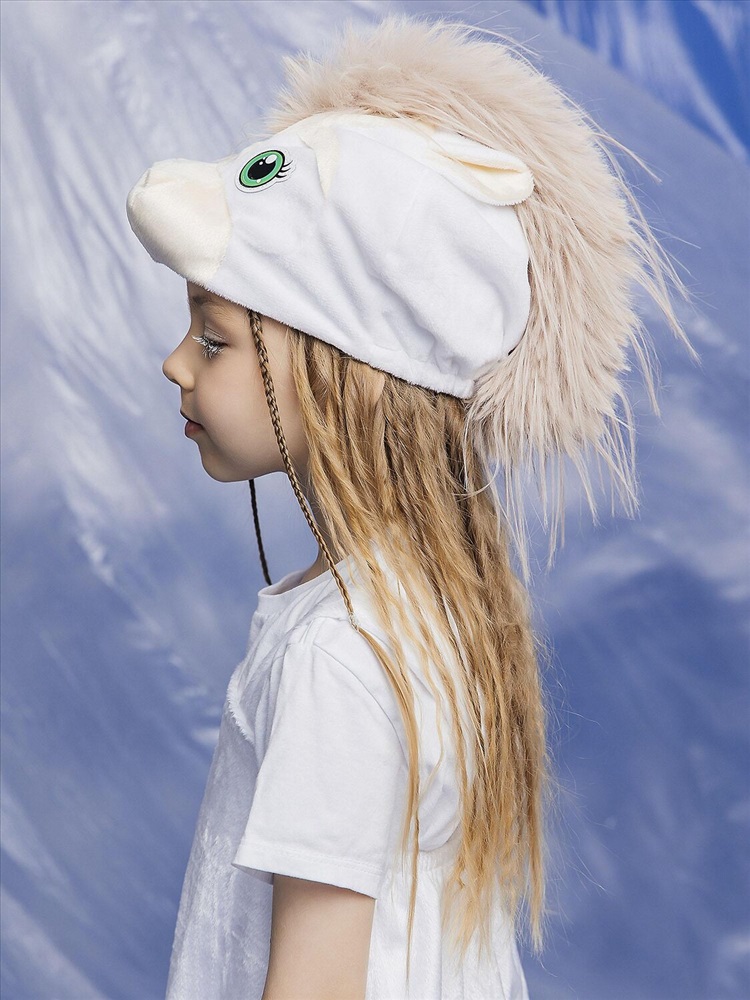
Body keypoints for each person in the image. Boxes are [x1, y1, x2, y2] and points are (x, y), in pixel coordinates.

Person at [125, 12, 697, 1000]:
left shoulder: (339, 655)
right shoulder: (430, 615)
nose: (177, 364)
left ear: (348, 374)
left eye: (214, 338)